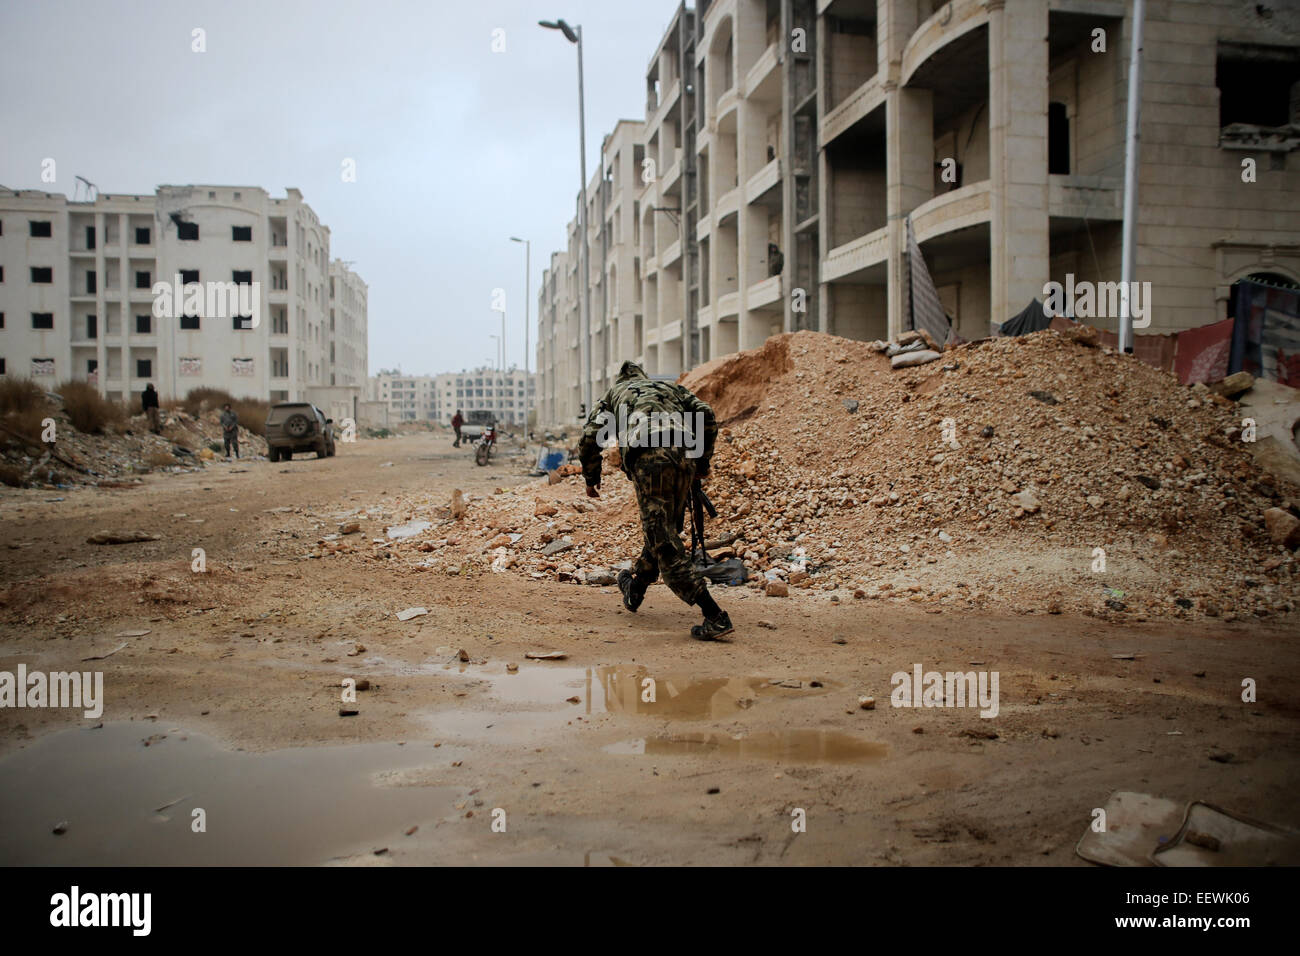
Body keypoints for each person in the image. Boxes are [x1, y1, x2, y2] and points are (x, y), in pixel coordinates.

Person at [578, 361, 731, 641]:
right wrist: (702, 461)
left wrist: (591, 478)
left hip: (649, 457)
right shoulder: (669, 387)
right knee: (664, 530)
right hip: (684, 455)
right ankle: (635, 587)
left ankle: (714, 615)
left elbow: (590, 435)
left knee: (664, 542)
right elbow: (706, 414)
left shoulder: (615, 393)